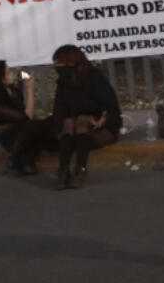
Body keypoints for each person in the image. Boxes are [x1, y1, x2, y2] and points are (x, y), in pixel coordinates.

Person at [50, 44, 120, 189]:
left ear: (71, 62)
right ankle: (63, 171)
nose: (57, 67)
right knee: (70, 121)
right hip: (73, 131)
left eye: (59, 63)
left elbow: (110, 105)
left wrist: (100, 119)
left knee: (80, 120)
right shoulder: (63, 83)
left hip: (101, 128)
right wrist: (59, 131)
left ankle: (80, 169)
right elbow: (59, 110)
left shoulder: (94, 77)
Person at [0, 60, 52, 175]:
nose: (11, 74)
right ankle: (14, 158)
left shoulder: (11, 90)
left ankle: (22, 161)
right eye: (8, 72)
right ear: (0, 78)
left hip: (24, 130)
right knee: (35, 125)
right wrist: (30, 90)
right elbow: (27, 117)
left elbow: (22, 109)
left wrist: (21, 79)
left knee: (49, 124)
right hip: (11, 136)